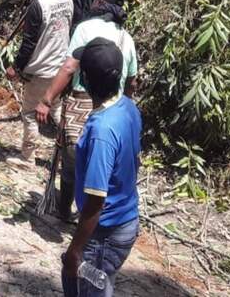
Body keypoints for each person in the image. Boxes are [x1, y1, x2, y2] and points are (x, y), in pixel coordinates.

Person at [36, 0, 138, 221]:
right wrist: (127, 110)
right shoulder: (127, 39)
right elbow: (132, 82)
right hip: (113, 107)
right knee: (100, 165)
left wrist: (47, 99)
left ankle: (64, 211)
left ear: (100, 2)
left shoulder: (85, 29)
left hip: (82, 102)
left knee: (71, 165)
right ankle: (91, 218)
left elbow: (70, 66)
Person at [61, 38, 142, 297]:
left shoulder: (101, 132)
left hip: (105, 233)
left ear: (84, 78)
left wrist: (75, 249)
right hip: (124, 221)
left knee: (89, 287)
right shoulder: (128, 107)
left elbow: (96, 202)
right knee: (76, 281)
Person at [6, 0, 73, 166]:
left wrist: (16, 67)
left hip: (40, 69)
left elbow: (29, 43)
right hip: (61, 68)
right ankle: (69, 155)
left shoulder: (39, 3)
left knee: (28, 112)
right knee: (57, 111)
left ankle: (27, 156)